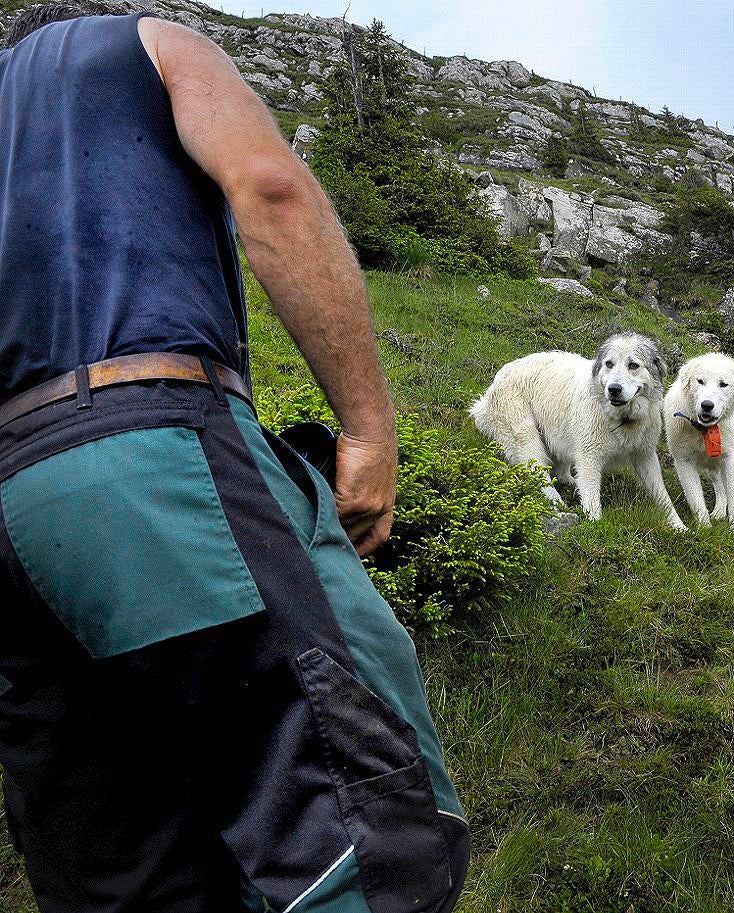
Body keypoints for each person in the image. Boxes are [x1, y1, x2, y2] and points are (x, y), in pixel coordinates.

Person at [0, 5, 467, 911]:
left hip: (13, 514)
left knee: (122, 876)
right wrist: (367, 429)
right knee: (367, 837)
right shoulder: (146, 41)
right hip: (156, 445)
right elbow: (272, 186)